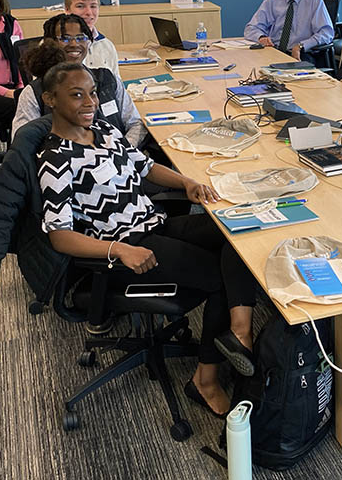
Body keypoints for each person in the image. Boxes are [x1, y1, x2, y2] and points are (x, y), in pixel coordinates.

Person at [37, 61, 256, 417]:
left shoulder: (105, 130)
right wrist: (119, 249)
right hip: (124, 251)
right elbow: (59, 236)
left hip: (154, 225)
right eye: (76, 95)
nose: (89, 102)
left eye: (92, 93)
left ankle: (239, 333)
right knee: (218, 279)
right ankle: (205, 381)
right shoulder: (55, 161)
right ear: (50, 99)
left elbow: (145, 167)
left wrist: (185, 182)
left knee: (235, 231)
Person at [12, 14, 145, 146]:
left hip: (119, 159)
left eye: (81, 38)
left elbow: (135, 122)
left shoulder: (108, 79)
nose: (74, 44)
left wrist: (123, 152)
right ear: (50, 42)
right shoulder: (35, 91)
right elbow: (22, 143)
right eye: (65, 39)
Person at [244, 0, 334, 61]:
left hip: (302, 54)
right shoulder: (272, 0)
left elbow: (326, 33)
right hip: (274, 52)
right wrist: (261, 38)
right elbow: (251, 28)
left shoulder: (314, 0)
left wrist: (301, 46)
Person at [64, 0, 119, 75]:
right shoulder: (54, 45)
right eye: (80, 6)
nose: (89, 12)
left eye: (93, 6)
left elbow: (117, 85)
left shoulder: (106, 46)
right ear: (67, 10)